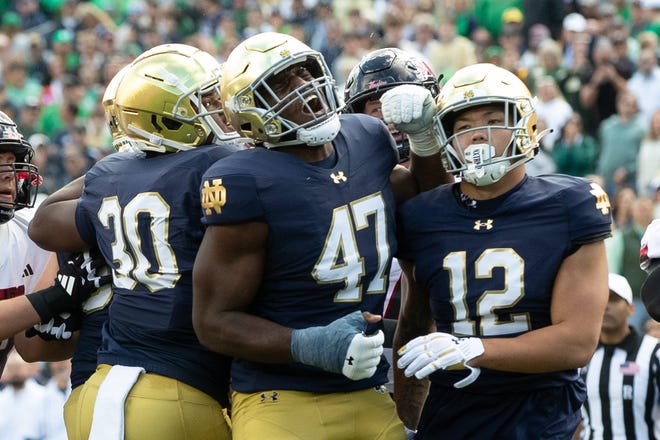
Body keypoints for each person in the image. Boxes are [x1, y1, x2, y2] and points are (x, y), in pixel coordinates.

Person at [192, 32, 426, 439]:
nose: (305, 88)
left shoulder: (367, 137)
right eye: (282, 84)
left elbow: (427, 206)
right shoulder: (245, 180)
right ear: (250, 110)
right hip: (280, 395)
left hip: (365, 389)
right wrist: (310, 344)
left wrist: (427, 141)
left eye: (305, 73)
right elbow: (212, 322)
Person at [385, 63, 612, 438]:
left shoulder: (569, 204)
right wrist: (407, 419)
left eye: (492, 120)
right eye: (463, 127)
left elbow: (576, 342)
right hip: (451, 412)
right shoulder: (423, 215)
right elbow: (413, 324)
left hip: (538, 414)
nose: (478, 136)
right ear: (446, 138)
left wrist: (474, 349)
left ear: (525, 127)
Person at [28, 43, 242, 440]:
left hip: (99, 387)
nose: (221, 110)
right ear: (168, 118)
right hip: (184, 387)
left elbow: (43, 224)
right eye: (206, 101)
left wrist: (113, 169)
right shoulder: (216, 165)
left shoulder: (110, 175)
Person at [342, 47, 449, 396]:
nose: (396, 118)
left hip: (442, 351)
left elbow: (438, 205)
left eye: (405, 104)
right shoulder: (348, 180)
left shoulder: (463, 172)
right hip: (350, 346)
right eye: (379, 108)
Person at [0, 109, 106, 374]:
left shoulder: (30, 229)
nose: (8, 173)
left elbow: (32, 348)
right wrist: (58, 295)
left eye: (12, 161)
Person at [579, 273, 660, 439]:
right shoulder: (579, 355)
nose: (605, 306)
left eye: (614, 299)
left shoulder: (653, 352)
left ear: (631, 308)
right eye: (600, 300)